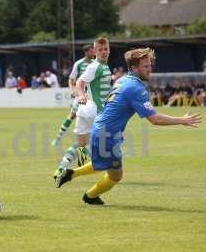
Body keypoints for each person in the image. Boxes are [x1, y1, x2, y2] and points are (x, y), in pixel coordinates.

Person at [55, 48, 202, 204]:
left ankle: (71, 175)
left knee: (105, 164)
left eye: (150, 65)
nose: (149, 69)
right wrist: (182, 120)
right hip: (108, 134)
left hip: (104, 129)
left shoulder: (123, 80)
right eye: (145, 66)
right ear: (133, 68)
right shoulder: (136, 89)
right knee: (115, 174)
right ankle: (89, 196)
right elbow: (155, 119)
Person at [53, 37, 111, 178]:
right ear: (94, 51)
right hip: (94, 112)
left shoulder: (100, 66)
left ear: (109, 50)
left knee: (80, 145)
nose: (103, 52)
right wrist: (80, 95)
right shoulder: (97, 66)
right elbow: (79, 82)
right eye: (100, 50)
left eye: (105, 49)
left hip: (84, 111)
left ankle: (61, 169)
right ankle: (99, 169)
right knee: (106, 144)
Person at [51, 44, 95, 146]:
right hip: (81, 95)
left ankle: (89, 143)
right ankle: (58, 137)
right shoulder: (78, 64)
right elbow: (71, 79)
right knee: (72, 116)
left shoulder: (96, 64)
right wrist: (72, 90)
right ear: (86, 52)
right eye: (92, 51)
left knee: (94, 117)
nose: (94, 52)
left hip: (93, 96)